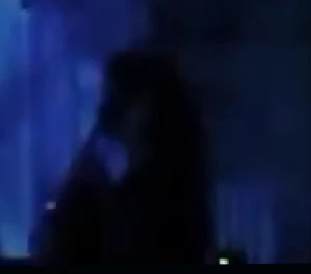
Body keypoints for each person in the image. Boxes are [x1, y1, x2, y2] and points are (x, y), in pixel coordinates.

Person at [36, 48, 215, 267]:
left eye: (116, 97)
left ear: (145, 106)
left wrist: (79, 197)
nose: (106, 109)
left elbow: (63, 247)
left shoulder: (146, 205)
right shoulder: (180, 193)